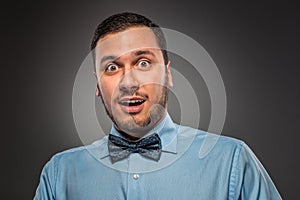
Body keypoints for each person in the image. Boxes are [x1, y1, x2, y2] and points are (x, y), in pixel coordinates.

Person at [34, 12, 282, 200]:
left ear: (168, 75)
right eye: (112, 67)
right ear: (98, 86)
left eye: (143, 63)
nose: (128, 83)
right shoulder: (59, 174)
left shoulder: (232, 161)